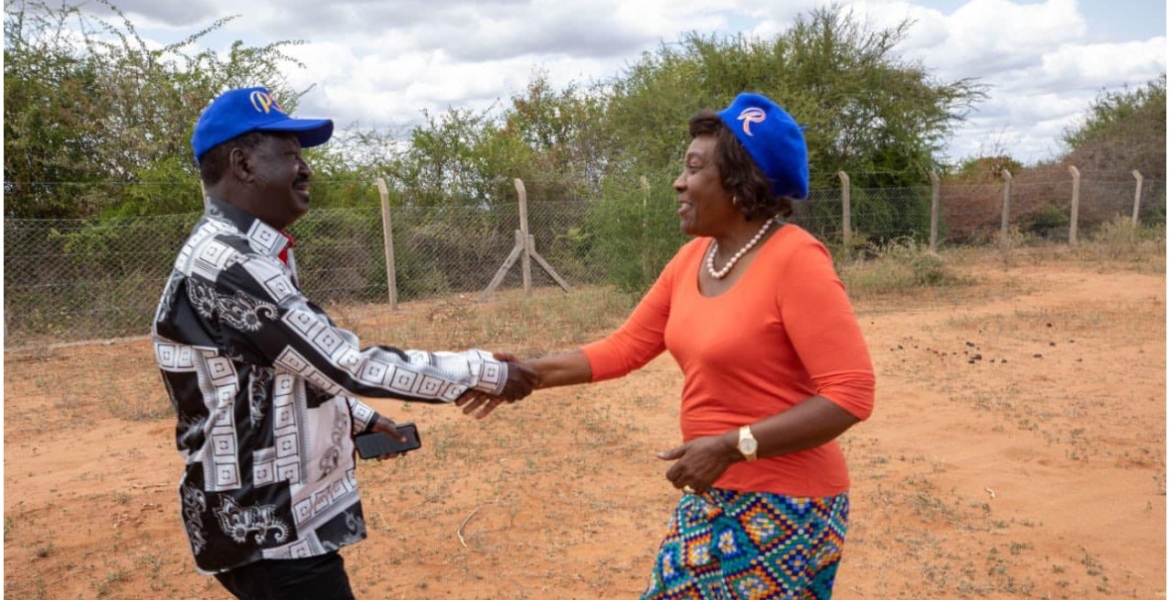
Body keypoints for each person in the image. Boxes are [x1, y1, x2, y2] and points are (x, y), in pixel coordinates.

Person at [458, 92, 875, 599]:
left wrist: (731, 446)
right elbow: (626, 347)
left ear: (741, 183)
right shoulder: (693, 259)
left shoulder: (796, 259)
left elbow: (850, 394)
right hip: (711, 493)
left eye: (695, 168)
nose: (679, 182)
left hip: (787, 507)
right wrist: (524, 374)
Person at [152, 86, 538, 600]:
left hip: (267, 520)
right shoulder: (231, 263)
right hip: (269, 528)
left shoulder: (249, 252)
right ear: (243, 165)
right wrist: (486, 371)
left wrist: (355, 417)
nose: (305, 169)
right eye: (290, 154)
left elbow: (273, 369)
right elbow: (342, 361)